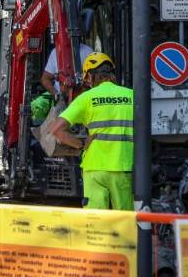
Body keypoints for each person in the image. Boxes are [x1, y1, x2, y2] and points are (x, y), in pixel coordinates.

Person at [49, 52, 134, 210]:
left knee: (95, 219)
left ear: (89, 76)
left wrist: (80, 144)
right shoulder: (132, 96)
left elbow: (56, 129)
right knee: (124, 218)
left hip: (94, 168)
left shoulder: (86, 98)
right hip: (123, 166)